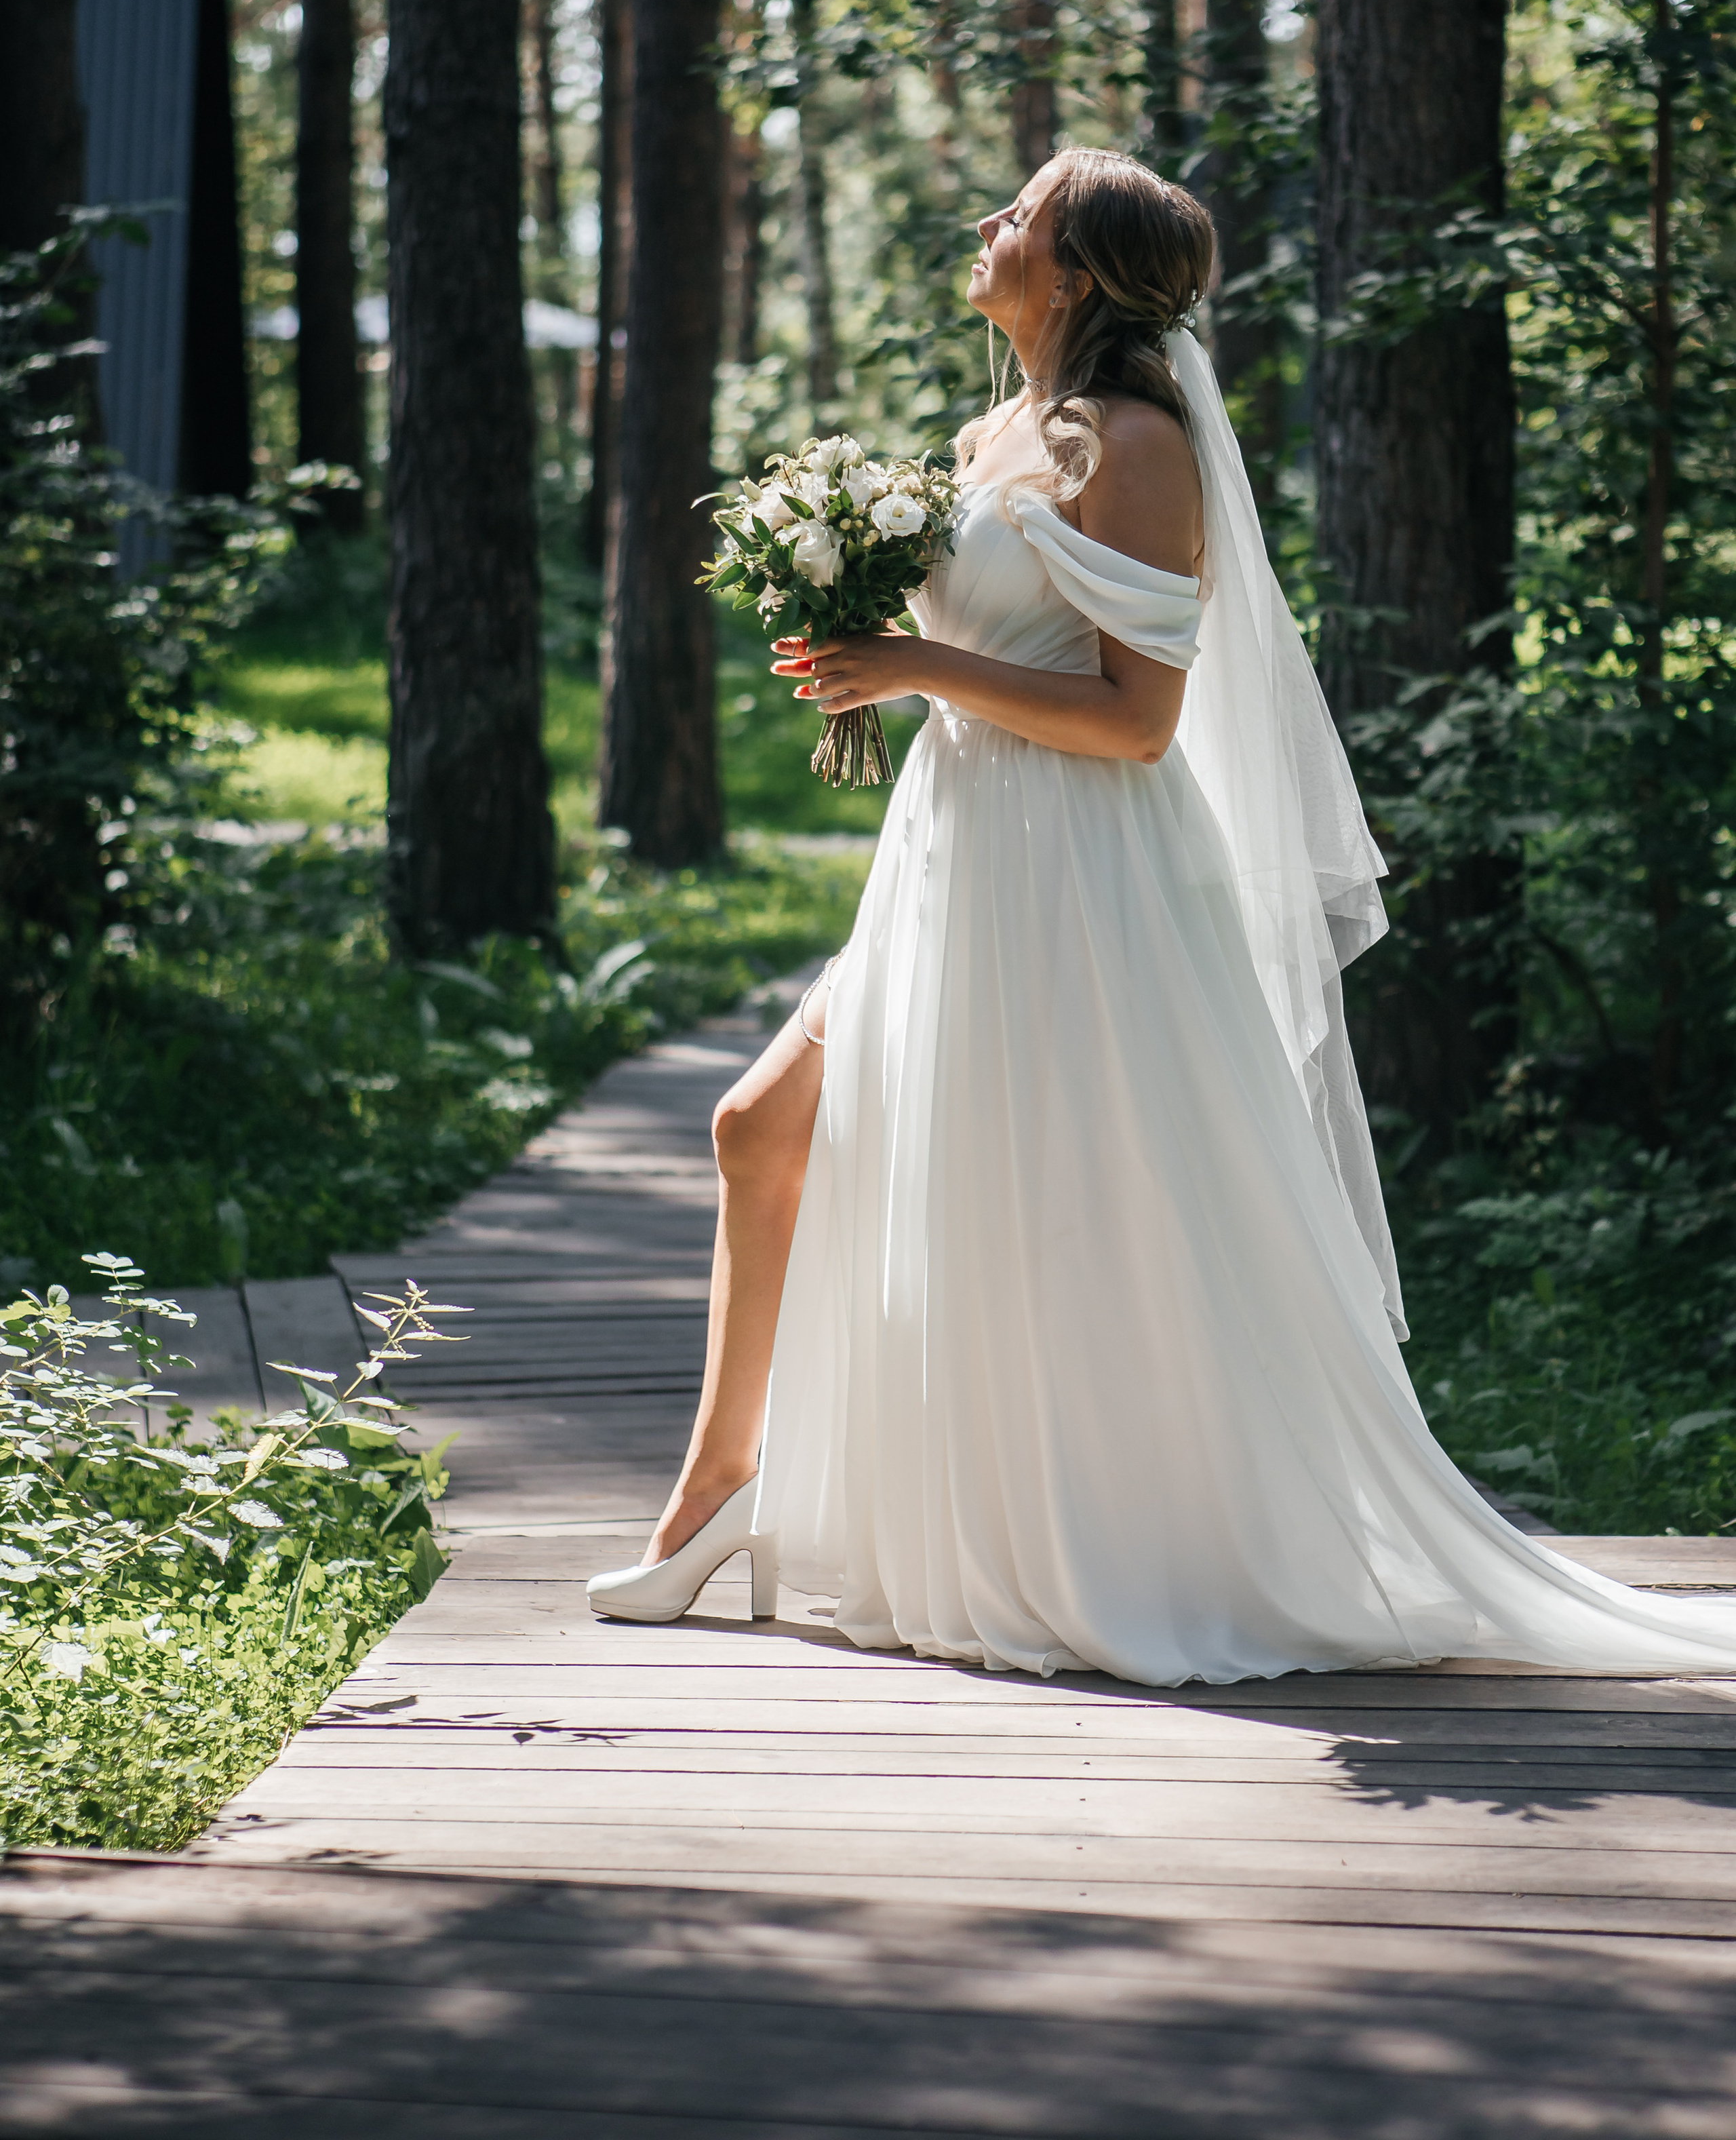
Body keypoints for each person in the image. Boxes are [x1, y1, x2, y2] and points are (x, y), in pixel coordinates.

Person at [587, 146, 1736, 1684]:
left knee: (1070, 1204)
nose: (987, 223)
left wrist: (917, 672)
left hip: (1079, 868)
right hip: (952, 845)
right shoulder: (989, 430)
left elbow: (1135, 721)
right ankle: (723, 1486)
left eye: (1021, 216)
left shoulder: (1135, 445)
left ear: (1069, 276)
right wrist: (863, 639)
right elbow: (993, 635)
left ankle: (1094, 1529)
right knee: (757, 1126)